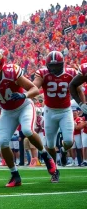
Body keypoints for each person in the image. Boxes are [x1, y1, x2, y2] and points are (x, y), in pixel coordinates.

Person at [0, 50, 56, 187]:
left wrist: (24, 95)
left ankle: (45, 155)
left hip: (24, 106)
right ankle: (15, 175)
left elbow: (34, 89)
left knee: (27, 130)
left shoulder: (11, 72)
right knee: (2, 142)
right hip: (7, 111)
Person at [33, 51, 83, 182]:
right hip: (49, 111)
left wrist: (83, 105)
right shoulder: (43, 73)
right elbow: (35, 86)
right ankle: (54, 171)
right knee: (49, 145)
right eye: (52, 66)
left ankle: (63, 149)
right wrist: (30, 92)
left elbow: (79, 90)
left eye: (57, 65)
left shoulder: (71, 73)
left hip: (65, 111)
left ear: (62, 64)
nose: (54, 68)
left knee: (69, 142)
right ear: (48, 65)